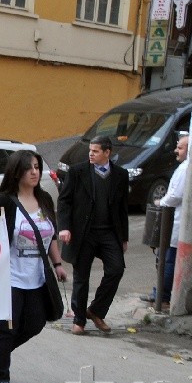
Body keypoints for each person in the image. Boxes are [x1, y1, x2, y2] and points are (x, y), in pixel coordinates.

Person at [0, 150, 67, 383]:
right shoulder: (2, 202)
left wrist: (58, 263)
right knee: (6, 327)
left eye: (37, 167)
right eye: (29, 167)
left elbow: (49, 235)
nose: (34, 172)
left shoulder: (45, 200)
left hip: (37, 277)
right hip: (8, 277)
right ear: (16, 171)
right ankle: (1, 378)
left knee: (35, 322)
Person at [57, 135, 129, 335]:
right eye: (90, 150)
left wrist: (123, 237)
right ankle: (79, 320)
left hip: (108, 233)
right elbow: (64, 202)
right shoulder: (78, 172)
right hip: (83, 233)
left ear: (107, 153)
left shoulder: (121, 175)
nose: (91, 154)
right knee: (81, 276)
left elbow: (122, 208)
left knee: (116, 269)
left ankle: (96, 311)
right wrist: (65, 227)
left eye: (96, 151)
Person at [148, 132, 189, 310]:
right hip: (177, 223)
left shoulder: (186, 169)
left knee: (168, 261)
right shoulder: (185, 167)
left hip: (177, 223)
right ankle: (160, 294)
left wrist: (160, 202)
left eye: (180, 148)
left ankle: (162, 297)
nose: (175, 151)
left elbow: (174, 196)